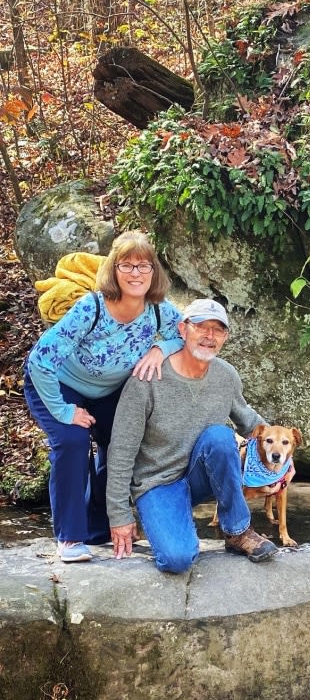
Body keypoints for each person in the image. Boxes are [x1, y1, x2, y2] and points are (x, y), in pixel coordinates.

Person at [24, 230, 184, 563]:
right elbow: (41, 361)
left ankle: (98, 528)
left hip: (108, 391)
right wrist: (65, 411)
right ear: (113, 270)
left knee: (124, 440)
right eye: (127, 265)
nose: (136, 273)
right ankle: (69, 537)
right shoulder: (91, 308)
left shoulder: (157, 310)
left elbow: (186, 336)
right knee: (73, 440)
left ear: (154, 273)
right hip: (55, 384)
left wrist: (160, 347)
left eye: (144, 266)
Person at [106, 298, 281, 573]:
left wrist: (284, 464)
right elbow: (121, 450)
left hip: (200, 475)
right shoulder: (147, 378)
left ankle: (237, 531)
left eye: (218, 329)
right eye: (201, 326)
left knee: (221, 438)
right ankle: (163, 519)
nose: (209, 336)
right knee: (177, 560)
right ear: (182, 329)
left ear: (226, 336)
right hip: (157, 482)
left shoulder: (225, 376)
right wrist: (119, 515)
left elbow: (252, 425)